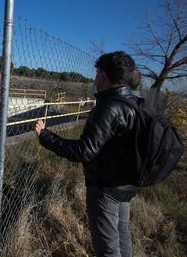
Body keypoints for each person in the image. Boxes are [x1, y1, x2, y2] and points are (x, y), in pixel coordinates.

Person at [35, 51, 140, 257]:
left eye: (97, 71)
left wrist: (45, 137)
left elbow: (84, 151)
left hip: (106, 186)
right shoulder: (134, 102)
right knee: (122, 233)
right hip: (126, 182)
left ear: (103, 75)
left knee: (107, 247)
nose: (95, 76)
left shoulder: (108, 107)